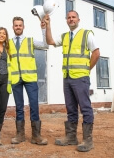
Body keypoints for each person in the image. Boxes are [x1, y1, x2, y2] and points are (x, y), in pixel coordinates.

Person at [43, 10, 100, 152]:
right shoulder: (65, 36)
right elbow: (50, 41)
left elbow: (96, 53)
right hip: (67, 77)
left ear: (78, 19)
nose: (71, 19)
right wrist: (47, 26)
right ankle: (71, 137)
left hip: (81, 77)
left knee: (85, 108)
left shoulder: (87, 34)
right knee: (71, 108)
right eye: (68, 17)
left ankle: (88, 140)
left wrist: (87, 69)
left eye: (73, 17)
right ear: (66, 20)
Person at [9, 16, 48, 145]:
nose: (18, 27)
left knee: (34, 106)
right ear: (13, 27)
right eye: (16, 25)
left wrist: (43, 29)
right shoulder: (8, 43)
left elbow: (45, 45)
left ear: (23, 27)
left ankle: (36, 136)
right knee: (19, 107)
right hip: (15, 79)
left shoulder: (30, 41)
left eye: (20, 25)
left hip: (30, 79)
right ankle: (20, 135)